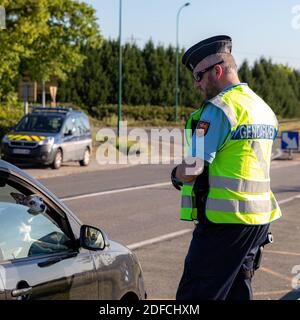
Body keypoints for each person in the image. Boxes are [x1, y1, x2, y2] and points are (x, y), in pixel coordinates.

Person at [171, 35, 282, 300]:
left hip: (225, 223)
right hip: (258, 221)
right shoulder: (262, 108)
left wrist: (175, 175)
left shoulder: (219, 109)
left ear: (217, 71)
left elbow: (193, 168)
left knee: (195, 294)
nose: (196, 84)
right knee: (237, 291)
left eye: (198, 76)